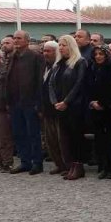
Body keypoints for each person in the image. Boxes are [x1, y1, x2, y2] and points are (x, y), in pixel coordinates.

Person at [4, 31, 45, 174]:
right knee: (18, 133)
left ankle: (37, 163)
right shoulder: (12, 57)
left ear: (27, 41)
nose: (16, 41)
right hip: (15, 101)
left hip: (30, 102)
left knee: (33, 133)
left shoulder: (35, 57)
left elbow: (39, 81)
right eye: (14, 38)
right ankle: (25, 161)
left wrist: (38, 103)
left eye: (19, 38)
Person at [51, 35, 88, 180]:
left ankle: (78, 166)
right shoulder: (58, 64)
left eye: (64, 45)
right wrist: (55, 101)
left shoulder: (80, 62)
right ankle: (71, 164)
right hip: (60, 106)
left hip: (74, 106)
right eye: (59, 45)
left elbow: (79, 84)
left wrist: (66, 101)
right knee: (65, 137)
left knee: (76, 137)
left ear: (71, 46)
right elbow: (51, 84)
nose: (61, 48)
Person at [87, 46, 111, 179]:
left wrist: (102, 104)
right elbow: (89, 86)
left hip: (108, 108)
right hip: (95, 107)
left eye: (101, 54)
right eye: (96, 54)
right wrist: (92, 102)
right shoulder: (93, 68)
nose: (98, 57)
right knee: (100, 139)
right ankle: (103, 166)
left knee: (110, 140)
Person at [40, 41, 68, 175]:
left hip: (58, 108)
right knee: (50, 140)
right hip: (46, 108)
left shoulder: (61, 67)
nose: (45, 54)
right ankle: (59, 164)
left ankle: (67, 164)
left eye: (49, 51)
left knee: (61, 139)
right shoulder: (44, 67)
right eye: (44, 51)